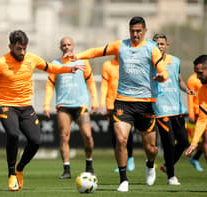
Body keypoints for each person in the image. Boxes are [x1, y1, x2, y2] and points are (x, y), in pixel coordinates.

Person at [0, 30, 84, 191]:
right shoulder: (0, 63)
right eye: (19, 48)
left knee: (36, 141)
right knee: (13, 134)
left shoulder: (32, 58)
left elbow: (51, 68)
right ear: (10, 46)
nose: (22, 52)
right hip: (6, 105)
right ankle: (11, 173)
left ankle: (20, 168)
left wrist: (70, 69)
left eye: (25, 48)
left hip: (26, 107)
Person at [64, 16, 168, 192]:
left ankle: (150, 164)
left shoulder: (152, 48)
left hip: (146, 103)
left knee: (151, 148)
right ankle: (123, 179)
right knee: (121, 139)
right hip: (123, 101)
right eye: (132, 31)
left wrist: (162, 76)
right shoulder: (121, 45)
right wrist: (77, 56)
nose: (135, 34)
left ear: (144, 31)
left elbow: (163, 70)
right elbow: (97, 51)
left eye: (138, 31)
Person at [43, 37, 98, 179]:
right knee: (64, 137)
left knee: (87, 135)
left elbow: (91, 81)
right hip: (63, 106)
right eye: (64, 45)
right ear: (60, 48)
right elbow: (49, 85)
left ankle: (89, 164)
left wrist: (95, 101)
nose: (66, 47)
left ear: (73, 46)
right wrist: (46, 105)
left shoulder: (83, 61)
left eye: (69, 44)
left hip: (81, 105)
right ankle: (66, 169)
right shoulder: (55, 64)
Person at [152, 33, 194, 185]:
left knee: (183, 141)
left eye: (162, 44)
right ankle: (171, 176)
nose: (159, 46)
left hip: (177, 108)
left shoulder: (175, 61)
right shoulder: (150, 62)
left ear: (166, 45)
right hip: (161, 108)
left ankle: (166, 165)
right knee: (169, 142)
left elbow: (179, 81)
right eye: (156, 43)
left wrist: (187, 90)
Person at [99, 55, 135, 173]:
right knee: (116, 136)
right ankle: (121, 162)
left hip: (128, 102)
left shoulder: (130, 63)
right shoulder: (107, 65)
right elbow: (104, 85)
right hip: (112, 105)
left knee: (129, 133)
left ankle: (130, 158)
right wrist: (101, 103)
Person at [185, 55, 207, 160]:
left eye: (200, 73)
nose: (197, 77)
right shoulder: (202, 91)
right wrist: (194, 143)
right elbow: (203, 119)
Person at [187, 71, 205, 171]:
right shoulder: (192, 79)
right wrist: (191, 114)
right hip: (199, 112)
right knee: (206, 139)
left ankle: (196, 158)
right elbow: (190, 97)